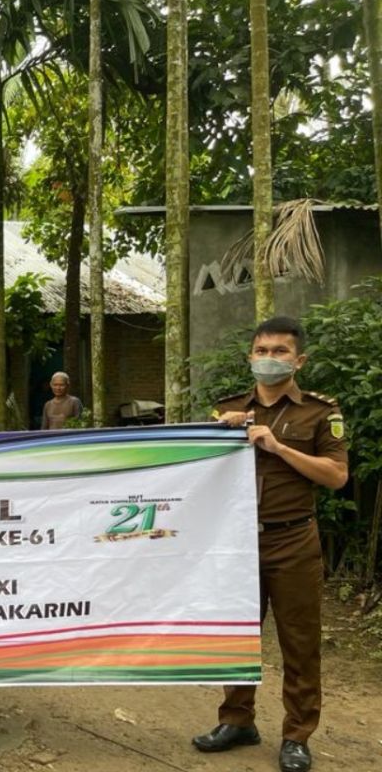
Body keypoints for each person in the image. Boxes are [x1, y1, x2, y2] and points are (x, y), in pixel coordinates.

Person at [191, 316, 348, 772]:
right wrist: (217, 433)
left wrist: (279, 446)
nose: (269, 359)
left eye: (280, 352)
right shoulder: (228, 409)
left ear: (299, 360)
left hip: (293, 540)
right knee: (238, 635)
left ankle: (297, 734)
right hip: (236, 543)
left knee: (299, 641)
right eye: (261, 351)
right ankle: (237, 720)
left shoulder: (321, 413)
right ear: (250, 357)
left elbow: (337, 477)